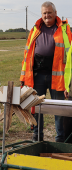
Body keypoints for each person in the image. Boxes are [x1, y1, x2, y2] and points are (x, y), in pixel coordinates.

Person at [20, 1, 72, 142]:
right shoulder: (35, 29)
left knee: (59, 109)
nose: (47, 15)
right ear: (41, 15)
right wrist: (23, 76)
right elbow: (27, 54)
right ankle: (37, 137)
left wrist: (69, 82)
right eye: (44, 13)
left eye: (49, 12)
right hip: (37, 75)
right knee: (36, 107)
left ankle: (60, 139)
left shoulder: (65, 29)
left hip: (58, 77)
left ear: (55, 13)